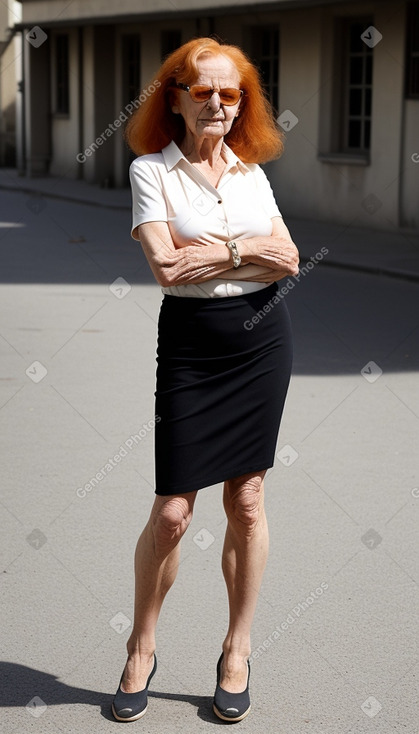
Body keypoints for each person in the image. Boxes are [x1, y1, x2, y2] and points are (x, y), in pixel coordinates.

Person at [112, 36, 299, 724]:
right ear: (176, 97)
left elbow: (288, 262)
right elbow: (166, 270)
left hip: (261, 342)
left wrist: (219, 252)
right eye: (204, 91)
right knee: (172, 513)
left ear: (241, 102)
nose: (218, 103)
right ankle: (141, 645)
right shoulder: (150, 171)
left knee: (246, 501)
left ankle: (237, 649)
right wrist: (249, 248)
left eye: (230, 93)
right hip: (192, 346)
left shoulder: (252, 174)